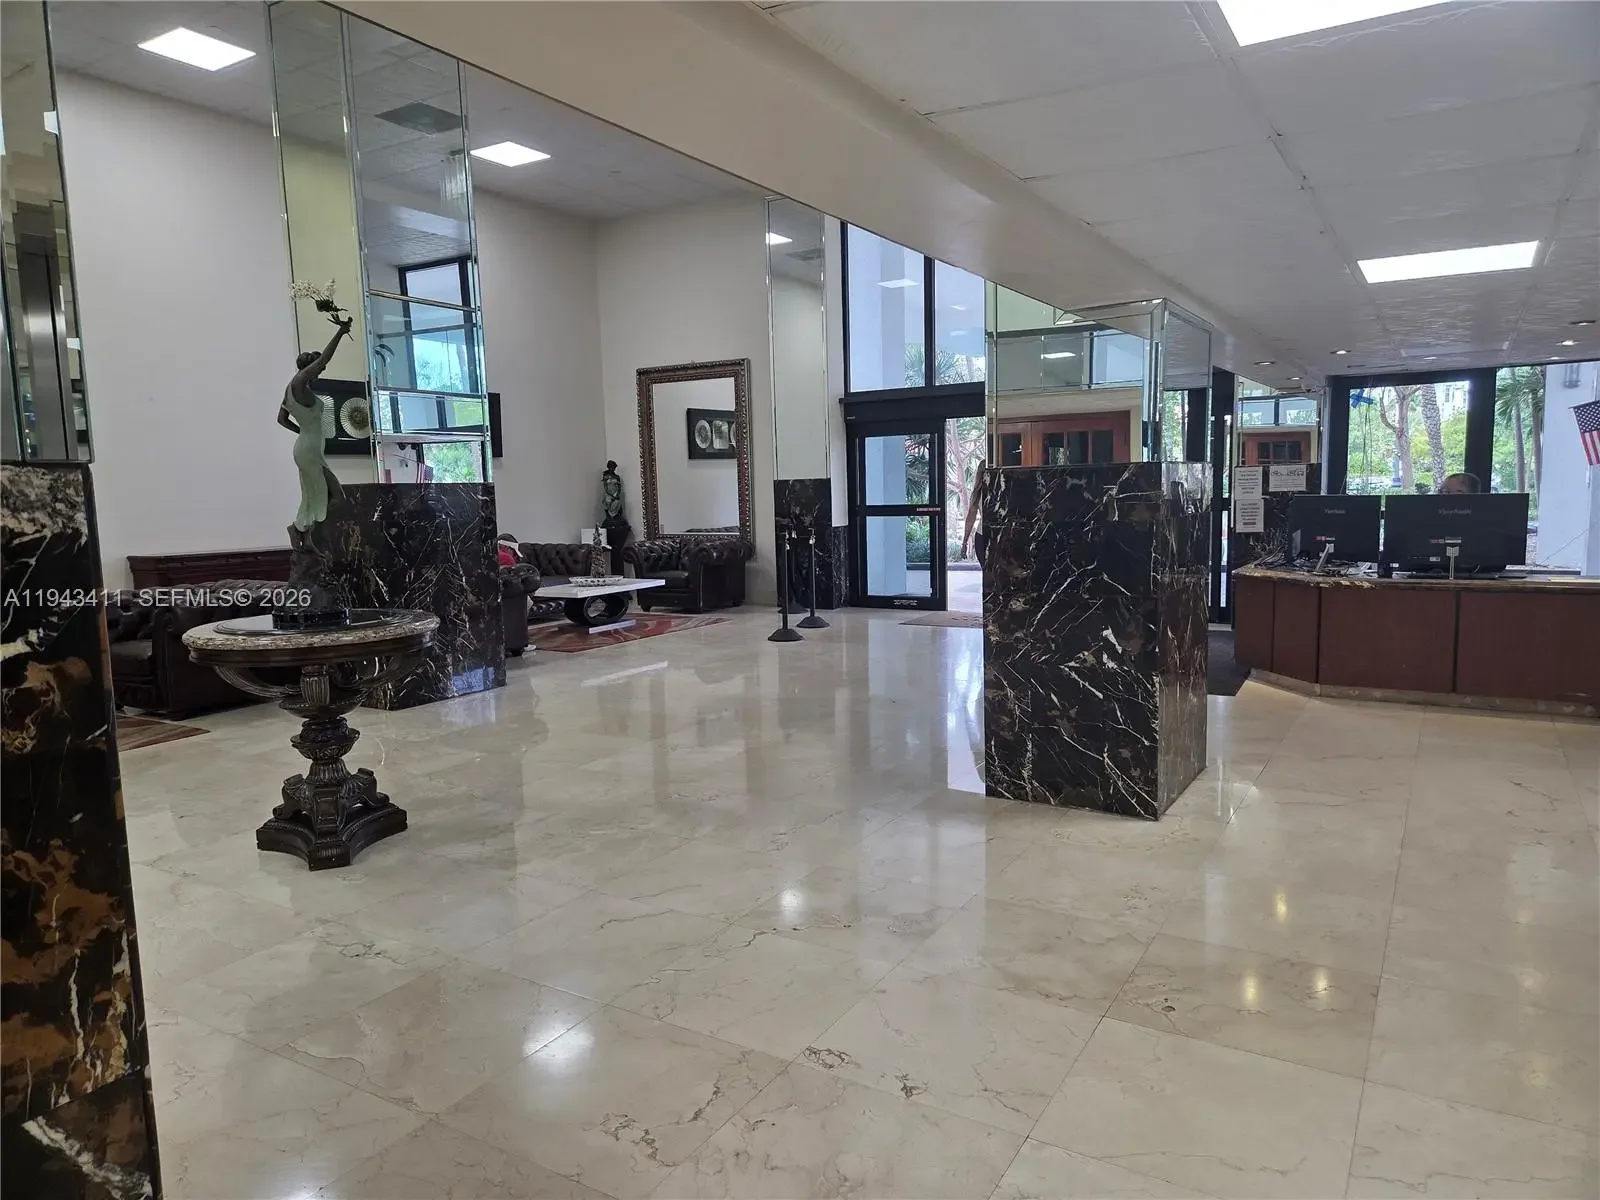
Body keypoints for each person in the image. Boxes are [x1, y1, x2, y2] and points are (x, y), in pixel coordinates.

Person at [279, 313, 353, 531]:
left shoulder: (293, 390)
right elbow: (324, 359)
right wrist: (340, 331)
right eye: (318, 369)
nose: (321, 371)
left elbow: (281, 419)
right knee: (329, 497)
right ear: (309, 367)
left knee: (321, 496)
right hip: (309, 451)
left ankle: (305, 533)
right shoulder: (298, 382)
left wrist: (304, 432)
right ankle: (301, 531)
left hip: (307, 447)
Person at [961, 460, 989, 564]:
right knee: (986, 570)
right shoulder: (978, 493)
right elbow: (970, 518)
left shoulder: (1005, 489)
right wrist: (964, 542)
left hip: (1001, 537)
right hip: (982, 537)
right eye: (985, 472)